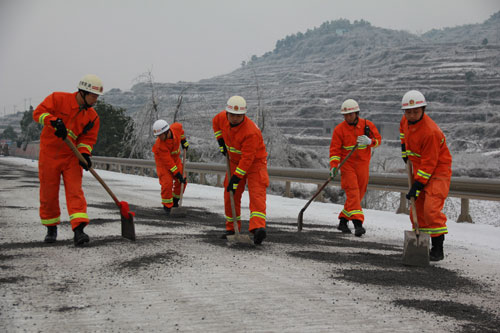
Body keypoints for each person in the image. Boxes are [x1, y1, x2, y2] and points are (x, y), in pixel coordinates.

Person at [32, 74, 103, 246]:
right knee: (48, 193)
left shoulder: (93, 117)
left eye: (96, 97)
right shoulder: (58, 99)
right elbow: (38, 113)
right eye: (93, 96)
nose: (95, 101)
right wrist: (53, 121)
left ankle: (79, 231)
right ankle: (51, 228)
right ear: (83, 92)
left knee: (75, 191)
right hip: (49, 155)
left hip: (71, 157)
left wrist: (84, 154)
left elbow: (88, 139)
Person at [400, 90, 452, 261]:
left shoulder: (430, 132)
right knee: (417, 209)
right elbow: (403, 130)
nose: (412, 115)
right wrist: (404, 148)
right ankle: (420, 245)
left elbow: (430, 163)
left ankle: (438, 247)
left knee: (430, 209)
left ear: (423, 109)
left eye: (416, 111)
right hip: (421, 168)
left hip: (438, 171)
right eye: (409, 112)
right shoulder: (406, 121)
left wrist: (417, 185)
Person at [212, 95, 269, 245]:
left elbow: (248, 159)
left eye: (239, 116)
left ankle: (258, 229)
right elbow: (215, 123)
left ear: (244, 115)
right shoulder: (221, 118)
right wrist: (220, 141)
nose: (235, 118)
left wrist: (236, 178)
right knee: (230, 193)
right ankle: (231, 228)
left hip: (255, 163)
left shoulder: (251, 132)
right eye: (232, 115)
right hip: (233, 161)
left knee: (257, 194)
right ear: (227, 113)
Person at [329, 99, 382, 237]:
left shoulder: (367, 125)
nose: (348, 117)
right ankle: (358, 224)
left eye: (350, 115)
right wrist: (334, 166)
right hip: (347, 165)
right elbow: (334, 151)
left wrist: (370, 141)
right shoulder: (339, 130)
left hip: (363, 165)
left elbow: (378, 141)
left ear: (356, 113)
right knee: (353, 192)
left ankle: (342, 221)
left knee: (359, 194)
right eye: (345, 115)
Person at [152, 119, 189, 215]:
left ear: (167, 131)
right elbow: (168, 163)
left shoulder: (175, 128)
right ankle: (167, 206)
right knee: (167, 183)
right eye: (158, 136)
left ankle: (175, 201)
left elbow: (180, 130)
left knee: (182, 181)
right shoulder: (160, 145)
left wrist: (183, 140)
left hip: (175, 160)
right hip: (163, 163)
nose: (159, 137)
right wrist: (177, 174)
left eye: (160, 135)